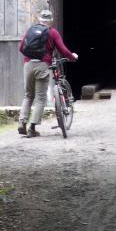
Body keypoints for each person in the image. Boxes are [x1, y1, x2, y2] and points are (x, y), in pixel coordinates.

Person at [17, 9, 77, 138]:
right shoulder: (52, 32)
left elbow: (21, 47)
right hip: (42, 65)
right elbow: (63, 50)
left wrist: (30, 58)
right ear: (51, 21)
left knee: (28, 96)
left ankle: (22, 122)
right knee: (40, 98)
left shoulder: (31, 30)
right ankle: (32, 128)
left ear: (40, 19)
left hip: (28, 65)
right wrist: (72, 56)